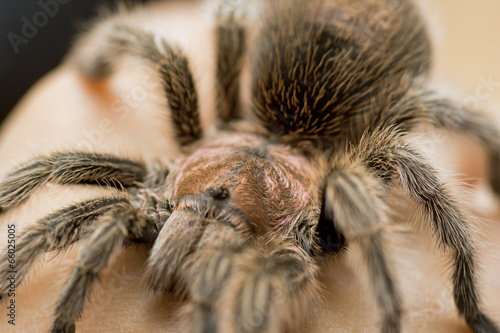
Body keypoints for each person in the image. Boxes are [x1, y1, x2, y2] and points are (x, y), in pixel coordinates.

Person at [0, 1, 499, 332]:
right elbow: (161, 46)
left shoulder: (343, 181)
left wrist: (395, 314)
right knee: (68, 164)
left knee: (399, 152)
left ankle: (461, 297)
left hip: (362, 82)